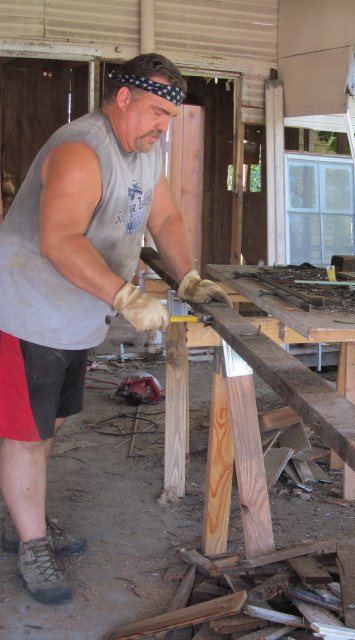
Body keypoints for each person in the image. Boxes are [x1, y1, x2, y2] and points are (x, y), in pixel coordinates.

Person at [0, 53, 229, 606]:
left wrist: (188, 277)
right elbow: (59, 240)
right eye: (154, 111)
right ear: (122, 98)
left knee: (47, 424)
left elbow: (166, 217)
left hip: (74, 317)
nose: (161, 126)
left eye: (169, 117)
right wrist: (124, 295)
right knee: (26, 435)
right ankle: (31, 542)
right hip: (26, 311)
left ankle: (19, 519)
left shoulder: (145, 153)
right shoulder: (83, 150)